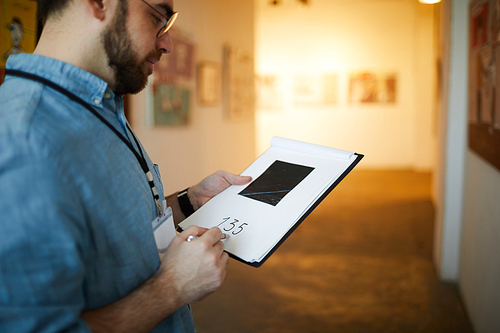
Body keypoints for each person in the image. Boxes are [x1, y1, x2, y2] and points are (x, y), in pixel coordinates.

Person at [0, 0, 251, 332]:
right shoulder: (23, 139)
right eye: (158, 17)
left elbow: (121, 233)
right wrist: (171, 288)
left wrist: (190, 201)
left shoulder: (100, 105)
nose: (167, 43)